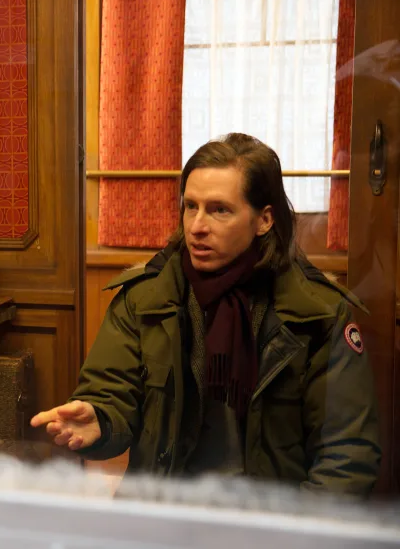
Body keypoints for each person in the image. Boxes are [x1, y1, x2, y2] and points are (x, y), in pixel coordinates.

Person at [32, 133, 381, 497]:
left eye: (220, 210)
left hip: (265, 524)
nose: (197, 226)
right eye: (190, 206)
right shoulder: (147, 297)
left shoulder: (317, 314)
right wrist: (100, 420)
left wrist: (291, 534)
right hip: (164, 512)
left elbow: (346, 453)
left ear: (263, 220)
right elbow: (110, 393)